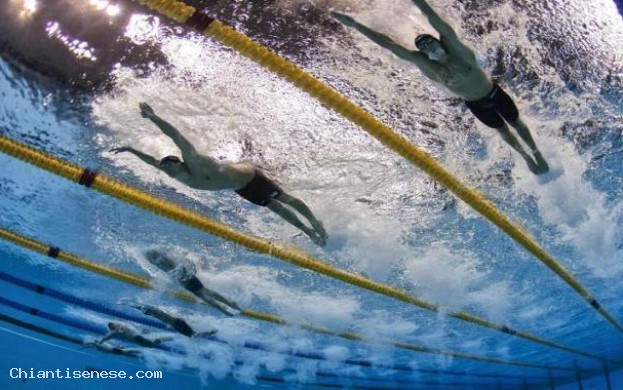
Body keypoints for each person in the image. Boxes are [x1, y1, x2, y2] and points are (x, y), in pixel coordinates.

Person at [331, 1, 549, 175]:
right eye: (421, 46)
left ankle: (537, 152)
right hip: (476, 105)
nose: (426, 45)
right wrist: (355, 25)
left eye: (428, 40)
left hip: (494, 92)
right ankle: (526, 156)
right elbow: (389, 45)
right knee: (503, 131)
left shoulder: (457, 49)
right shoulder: (428, 66)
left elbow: (432, 17)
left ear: (438, 40)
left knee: (516, 123)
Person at [111, 102, 328, 245]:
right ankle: (308, 231)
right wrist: (131, 150)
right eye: (164, 167)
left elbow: (175, 135)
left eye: (168, 165)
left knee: (284, 199)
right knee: (275, 208)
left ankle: (314, 221)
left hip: (251, 176)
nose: (165, 168)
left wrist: (153, 117)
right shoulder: (177, 174)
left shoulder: (193, 161)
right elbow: (151, 162)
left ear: (178, 161)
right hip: (240, 188)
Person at [144, 249, 241, 317]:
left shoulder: (152, 257)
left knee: (204, 296)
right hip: (184, 273)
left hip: (182, 277)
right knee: (205, 291)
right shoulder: (161, 255)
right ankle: (229, 304)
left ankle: (225, 310)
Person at [129, 303, 217, 338]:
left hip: (177, 324)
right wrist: (131, 305)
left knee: (192, 335)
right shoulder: (154, 311)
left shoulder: (155, 313)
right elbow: (141, 308)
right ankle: (208, 330)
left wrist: (133, 306)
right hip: (177, 322)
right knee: (192, 335)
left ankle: (211, 332)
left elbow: (143, 309)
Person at [85, 322, 172, 349]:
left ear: (111, 328)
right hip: (138, 334)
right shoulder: (121, 324)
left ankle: (168, 338)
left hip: (136, 338)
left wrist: (99, 343)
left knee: (151, 344)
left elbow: (106, 337)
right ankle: (167, 338)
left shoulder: (115, 331)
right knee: (151, 342)